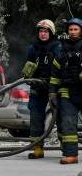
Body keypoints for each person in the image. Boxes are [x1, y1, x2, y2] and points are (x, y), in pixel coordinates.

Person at [22, 19, 61, 159]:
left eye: (46, 31)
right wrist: (27, 74)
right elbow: (29, 68)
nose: (43, 34)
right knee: (36, 118)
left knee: (61, 116)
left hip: (54, 87)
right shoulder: (33, 48)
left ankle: (67, 148)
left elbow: (60, 68)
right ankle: (37, 149)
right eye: (41, 31)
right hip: (37, 87)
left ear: (51, 33)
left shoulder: (57, 47)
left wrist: (54, 86)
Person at [49, 18, 82, 165]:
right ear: (68, 31)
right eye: (71, 29)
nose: (73, 32)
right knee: (68, 123)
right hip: (67, 92)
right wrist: (52, 92)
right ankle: (71, 154)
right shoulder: (62, 49)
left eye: (76, 29)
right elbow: (55, 73)